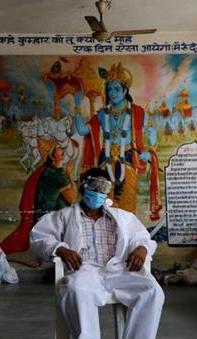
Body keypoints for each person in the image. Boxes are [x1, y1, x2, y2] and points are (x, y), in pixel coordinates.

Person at [30, 168, 164, 339]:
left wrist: (142, 248)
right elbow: (39, 238)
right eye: (94, 186)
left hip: (118, 269)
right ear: (83, 187)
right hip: (85, 270)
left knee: (152, 290)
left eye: (104, 187)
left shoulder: (122, 217)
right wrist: (60, 249)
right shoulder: (65, 215)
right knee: (76, 290)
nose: (99, 192)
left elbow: (141, 237)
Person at [74, 63, 162, 221]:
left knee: (128, 202)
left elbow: (151, 131)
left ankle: (127, 234)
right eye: (109, 89)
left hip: (128, 159)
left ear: (125, 90)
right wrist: (77, 106)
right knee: (105, 202)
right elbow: (82, 130)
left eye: (116, 89)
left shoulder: (137, 112)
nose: (112, 93)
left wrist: (150, 151)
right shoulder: (102, 114)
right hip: (105, 161)